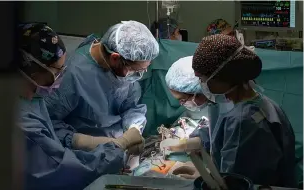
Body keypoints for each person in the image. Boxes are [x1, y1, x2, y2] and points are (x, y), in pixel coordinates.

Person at [18, 23, 143, 189]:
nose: (61, 77)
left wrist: (132, 128)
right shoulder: (20, 122)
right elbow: (65, 169)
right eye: (57, 72)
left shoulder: (34, 98)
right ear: (32, 70)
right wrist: (115, 148)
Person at [168, 34, 296, 187]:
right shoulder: (241, 102)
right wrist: (194, 142)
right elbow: (218, 134)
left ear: (222, 77)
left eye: (202, 79)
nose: (201, 84)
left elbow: (237, 181)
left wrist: (210, 177)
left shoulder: (245, 122)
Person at [45, 21, 159, 154]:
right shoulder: (73, 75)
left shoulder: (125, 64)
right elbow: (48, 124)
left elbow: (130, 106)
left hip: (117, 148)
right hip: (84, 155)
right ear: (115, 58)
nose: (137, 75)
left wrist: (134, 128)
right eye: (136, 70)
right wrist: (84, 142)